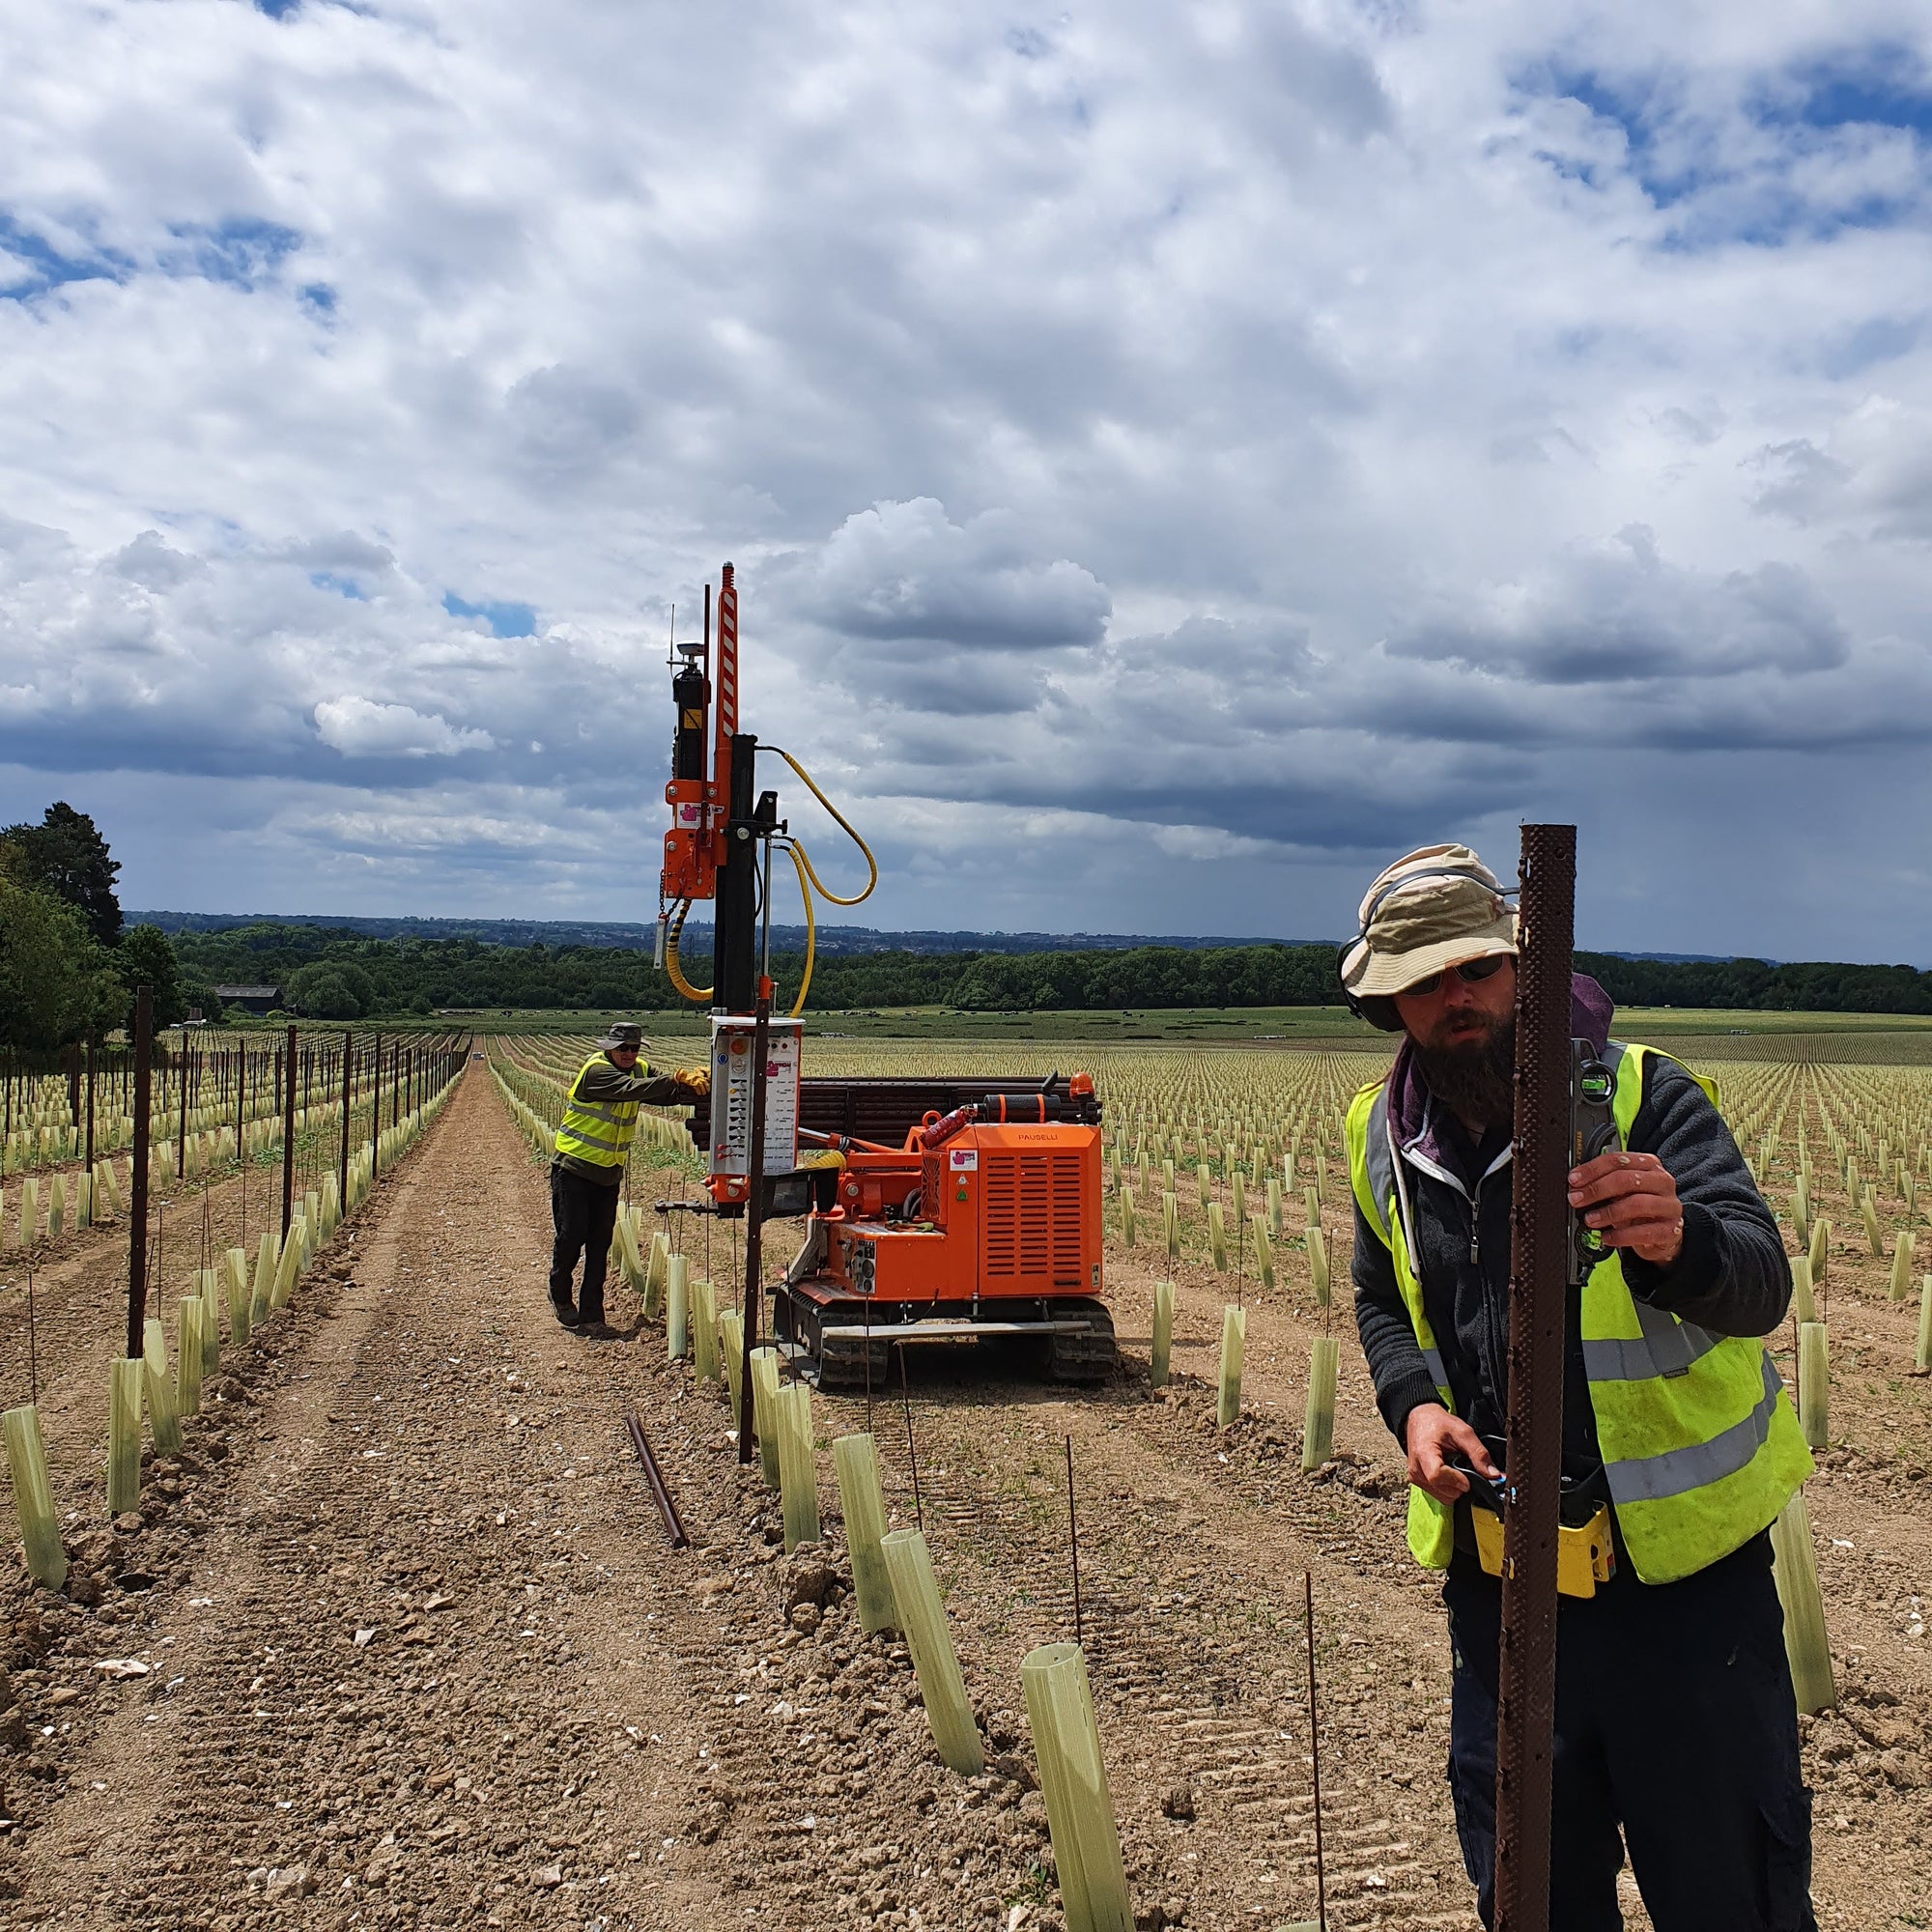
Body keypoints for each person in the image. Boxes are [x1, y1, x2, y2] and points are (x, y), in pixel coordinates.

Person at [1341, 844, 1815, 1932]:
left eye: (1473, 968)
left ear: (1522, 964)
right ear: (1388, 1004)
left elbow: (1758, 1281)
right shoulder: (1379, 1135)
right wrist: (1411, 1404)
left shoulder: (1645, 1094)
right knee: (1530, 1900)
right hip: (1498, 1590)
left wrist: (1678, 1236)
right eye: (1422, 981)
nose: (1454, 998)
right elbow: (1379, 1299)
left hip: (1683, 1599)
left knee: (1728, 1896)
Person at [550, 1022, 707, 1336]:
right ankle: (560, 1294)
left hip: (608, 1174)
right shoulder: (596, 1072)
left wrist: (697, 1084)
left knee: (599, 1245)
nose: (629, 1054)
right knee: (572, 1236)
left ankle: (593, 1318)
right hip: (574, 1169)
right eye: (623, 1048)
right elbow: (634, 1090)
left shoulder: (640, 1068)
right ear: (609, 1047)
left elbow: (663, 1092)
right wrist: (673, 1078)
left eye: (634, 1048)